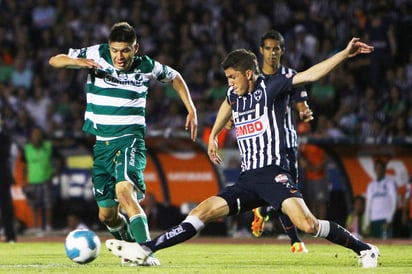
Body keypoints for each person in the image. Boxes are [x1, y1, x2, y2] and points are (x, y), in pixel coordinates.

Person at [105, 38, 379, 268]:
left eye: (232, 77)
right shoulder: (235, 93)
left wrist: (344, 54)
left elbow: (311, 74)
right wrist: (214, 134)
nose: (230, 83)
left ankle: (366, 249)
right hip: (248, 180)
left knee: (308, 224)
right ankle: (145, 249)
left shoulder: (271, 87)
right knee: (203, 211)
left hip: (273, 174)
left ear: (248, 73)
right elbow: (227, 103)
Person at [49, 21, 197, 266]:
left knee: (124, 192)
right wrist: (79, 62)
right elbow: (55, 60)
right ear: (109, 47)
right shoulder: (96, 53)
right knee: (107, 215)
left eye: (125, 50)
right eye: (115, 50)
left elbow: (176, 77)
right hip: (101, 145)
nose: (119, 56)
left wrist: (190, 108)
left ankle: (145, 251)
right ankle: (131, 250)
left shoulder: (146, 66)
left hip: (129, 140)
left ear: (135, 48)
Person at [249, 30, 312, 253]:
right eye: (268, 48)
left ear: (282, 51)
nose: (272, 53)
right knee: (284, 191)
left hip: (288, 143)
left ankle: (264, 212)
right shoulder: (254, 78)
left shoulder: (290, 75)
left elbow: (302, 105)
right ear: (261, 50)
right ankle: (295, 241)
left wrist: (304, 113)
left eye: (276, 48)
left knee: (290, 190)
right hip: (264, 146)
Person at [23, 126, 55, 233]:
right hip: (32, 179)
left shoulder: (48, 146)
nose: (36, 136)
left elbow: (58, 159)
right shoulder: (27, 148)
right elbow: (24, 165)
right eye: (34, 134)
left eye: (38, 134)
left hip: (46, 178)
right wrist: (24, 180)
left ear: (42, 135)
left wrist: (55, 171)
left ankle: (48, 226)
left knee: (47, 204)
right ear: (31, 136)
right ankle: (35, 226)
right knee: (34, 205)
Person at [365, 159, 397, 239]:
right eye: (377, 168)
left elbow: (394, 200)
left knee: (386, 243)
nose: (379, 170)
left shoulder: (390, 182)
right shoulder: (371, 185)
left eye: (381, 168)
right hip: (374, 219)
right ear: (375, 170)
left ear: (384, 169)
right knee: (374, 244)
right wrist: (367, 221)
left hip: (385, 218)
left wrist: (390, 219)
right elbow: (368, 203)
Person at [0, 112, 17, 242]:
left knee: (6, 208)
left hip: (2, 177)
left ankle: (10, 236)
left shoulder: (5, 137)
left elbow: (4, 154)